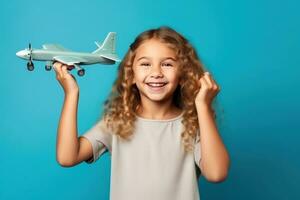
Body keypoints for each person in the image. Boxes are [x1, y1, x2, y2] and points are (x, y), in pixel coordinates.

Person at [54, 26, 230, 200]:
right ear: (130, 74)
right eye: (146, 64)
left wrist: (203, 106)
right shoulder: (117, 123)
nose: (156, 73)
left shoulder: (193, 125)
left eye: (167, 64)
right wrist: (71, 94)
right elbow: (67, 157)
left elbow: (216, 174)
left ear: (183, 74)